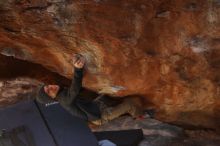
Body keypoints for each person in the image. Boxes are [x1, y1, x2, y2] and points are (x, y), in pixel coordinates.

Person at [36, 54, 142, 125]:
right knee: (130, 104)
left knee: (107, 93)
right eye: (48, 91)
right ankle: (140, 118)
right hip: (100, 116)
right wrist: (78, 69)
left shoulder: (61, 93)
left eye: (47, 86)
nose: (51, 87)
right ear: (52, 98)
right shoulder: (64, 100)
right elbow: (75, 89)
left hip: (95, 106)